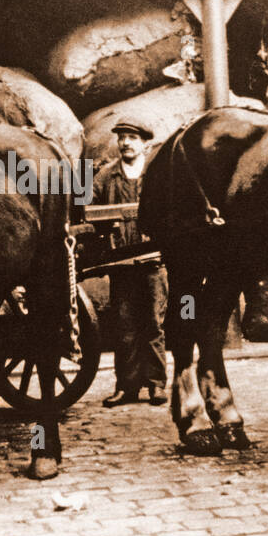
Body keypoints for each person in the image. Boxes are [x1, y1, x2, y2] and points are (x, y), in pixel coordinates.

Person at [93, 116, 169, 408]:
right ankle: (126, 387)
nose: (125, 143)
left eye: (131, 138)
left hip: (153, 261)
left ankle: (156, 385)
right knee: (124, 327)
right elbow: (86, 206)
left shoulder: (157, 174)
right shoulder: (106, 176)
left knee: (153, 323)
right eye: (121, 137)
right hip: (121, 263)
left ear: (145, 143)